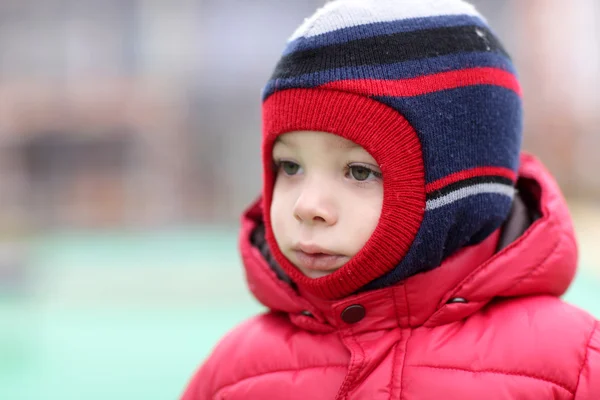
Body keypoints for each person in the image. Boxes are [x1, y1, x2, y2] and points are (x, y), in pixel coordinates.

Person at [182, 0, 600, 398]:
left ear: (456, 189)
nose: (306, 206)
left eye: (359, 171)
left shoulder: (574, 366)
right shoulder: (236, 372)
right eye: (290, 167)